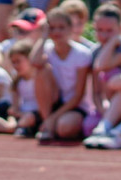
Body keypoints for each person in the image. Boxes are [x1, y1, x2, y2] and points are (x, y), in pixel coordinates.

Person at [30, 8, 92, 142]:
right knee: (42, 69)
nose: (56, 32)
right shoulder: (46, 48)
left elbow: (78, 95)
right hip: (53, 102)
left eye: (61, 27)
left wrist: (54, 117)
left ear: (70, 28)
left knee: (64, 129)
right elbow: (34, 62)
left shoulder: (82, 54)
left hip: (75, 107)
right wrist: (43, 37)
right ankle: (47, 124)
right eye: (52, 28)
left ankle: (50, 124)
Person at [88, 3, 121, 137]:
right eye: (99, 30)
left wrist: (112, 42)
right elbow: (96, 92)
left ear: (120, 29)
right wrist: (103, 111)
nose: (104, 35)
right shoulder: (95, 51)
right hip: (108, 105)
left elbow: (102, 65)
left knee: (112, 74)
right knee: (87, 127)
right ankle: (108, 122)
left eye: (110, 30)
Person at [7, 40, 40, 136]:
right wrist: (15, 113)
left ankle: (24, 128)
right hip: (22, 115)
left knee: (29, 118)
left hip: (36, 116)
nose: (15, 65)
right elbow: (15, 107)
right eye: (13, 62)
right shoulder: (17, 81)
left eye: (18, 61)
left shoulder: (39, 78)